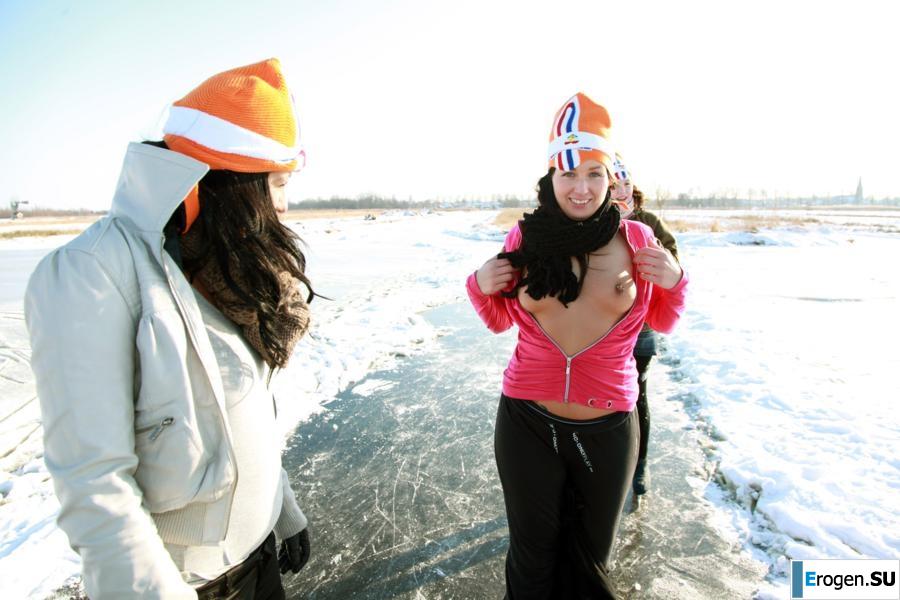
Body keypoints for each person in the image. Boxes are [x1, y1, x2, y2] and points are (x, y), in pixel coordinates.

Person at [26, 59, 314, 599]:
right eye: (276, 183)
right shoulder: (95, 273)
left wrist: (282, 507)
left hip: (258, 563)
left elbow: (237, 419)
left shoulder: (230, 271)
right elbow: (96, 487)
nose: (283, 204)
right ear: (229, 182)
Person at [466, 93, 689, 598]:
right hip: (526, 422)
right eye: (568, 175)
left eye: (594, 174)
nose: (581, 188)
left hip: (608, 428)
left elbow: (664, 317)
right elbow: (500, 317)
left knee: (590, 566)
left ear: (611, 179)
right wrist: (478, 284)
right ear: (551, 179)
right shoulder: (523, 239)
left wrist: (675, 280)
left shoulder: (636, 240)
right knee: (531, 561)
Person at [610, 155, 680, 496]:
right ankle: (608, 467)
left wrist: (654, 264)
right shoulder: (596, 221)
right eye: (613, 186)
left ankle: (639, 467)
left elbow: (673, 263)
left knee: (637, 396)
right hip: (605, 330)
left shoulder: (648, 221)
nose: (620, 191)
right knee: (608, 401)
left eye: (625, 184)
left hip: (641, 331)